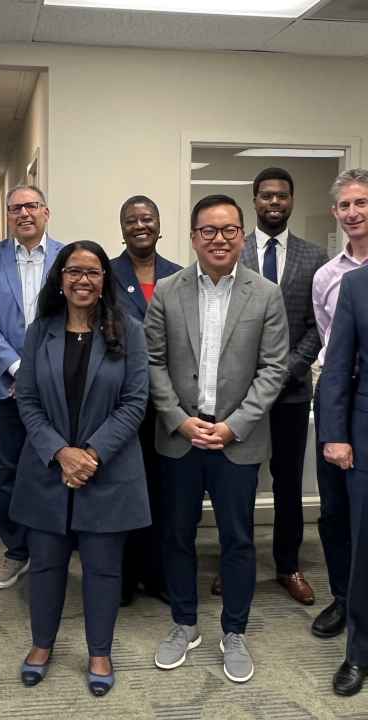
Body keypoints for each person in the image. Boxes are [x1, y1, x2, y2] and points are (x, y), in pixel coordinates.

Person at [145, 194, 288, 684]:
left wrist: (235, 424)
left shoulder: (265, 294)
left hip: (237, 440)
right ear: (193, 237)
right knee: (177, 536)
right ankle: (185, 624)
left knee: (238, 540)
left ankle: (235, 631)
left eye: (229, 230)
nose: (219, 238)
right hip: (181, 436)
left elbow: (273, 369)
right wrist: (180, 420)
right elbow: (153, 363)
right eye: (208, 230)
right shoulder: (167, 290)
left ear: (242, 235)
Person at [11, 241, 149, 697]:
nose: (83, 280)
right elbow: (27, 400)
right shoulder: (40, 331)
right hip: (48, 467)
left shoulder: (128, 330)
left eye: (92, 272)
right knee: (46, 565)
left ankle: (99, 651)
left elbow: (134, 402)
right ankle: (41, 645)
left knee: (104, 568)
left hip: (107, 469)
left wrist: (90, 453)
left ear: (104, 279)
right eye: (74, 271)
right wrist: (60, 452)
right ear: (61, 278)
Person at [207, 168, 327, 605]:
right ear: (254, 201)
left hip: (292, 393)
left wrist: (282, 372)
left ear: (291, 201)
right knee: (236, 482)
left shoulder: (314, 258)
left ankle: (287, 565)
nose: (274, 203)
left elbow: (317, 328)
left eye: (281, 196)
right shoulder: (230, 253)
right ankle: (233, 561)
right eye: (265, 196)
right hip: (238, 397)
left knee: (288, 483)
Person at [0, 184, 63, 589]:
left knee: (54, 465)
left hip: (57, 386)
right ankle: (16, 551)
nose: (24, 213)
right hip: (4, 388)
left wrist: (44, 370)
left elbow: (73, 316)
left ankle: (53, 547)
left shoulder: (67, 256)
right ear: (8, 216)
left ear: (46, 211)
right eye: (15, 208)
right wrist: (17, 366)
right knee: (8, 471)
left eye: (31, 206)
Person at [111, 194, 181, 605]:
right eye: (132, 219)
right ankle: (124, 576)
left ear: (158, 225)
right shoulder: (109, 273)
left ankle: (157, 575)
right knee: (126, 489)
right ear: (122, 228)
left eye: (147, 218)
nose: (140, 225)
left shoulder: (178, 274)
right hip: (124, 400)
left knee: (164, 492)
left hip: (169, 403)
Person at [311, 169, 368, 642]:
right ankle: (344, 599)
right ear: (335, 213)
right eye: (345, 205)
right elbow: (330, 345)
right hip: (335, 394)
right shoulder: (328, 276)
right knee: (333, 511)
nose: (353, 212)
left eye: (362, 203)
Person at [319, 261, 368, 697]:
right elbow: (336, 367)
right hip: (366, 438)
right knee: (365, 551)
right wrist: (335, 435)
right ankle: (359, 652)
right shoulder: (355, 286)